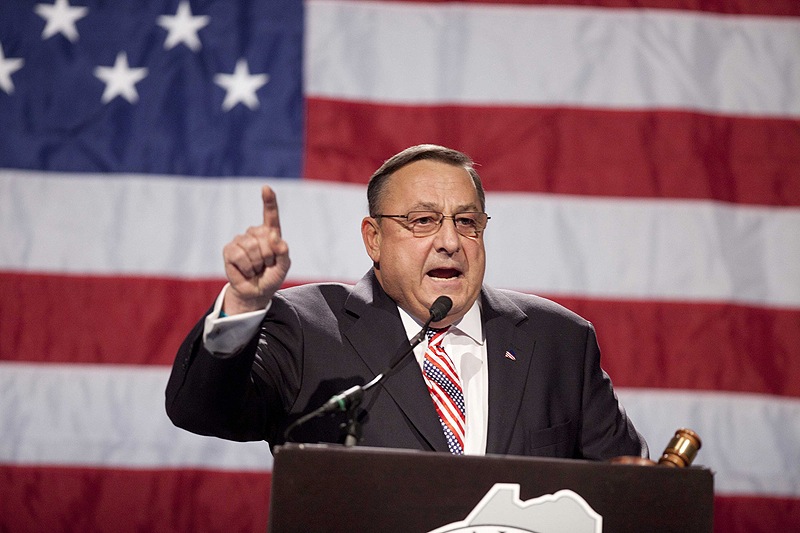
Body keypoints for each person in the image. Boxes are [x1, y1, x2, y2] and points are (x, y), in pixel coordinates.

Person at [166, 144, 648, 459]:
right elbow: (201, 410)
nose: (450, 242)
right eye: (422, 221)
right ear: (373, 239)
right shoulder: (308, 327)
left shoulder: (559, 339)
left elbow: (626, 490)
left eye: (467, 222)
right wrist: (244, 305)